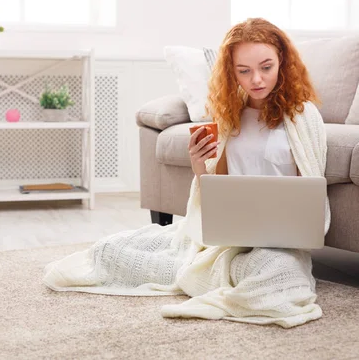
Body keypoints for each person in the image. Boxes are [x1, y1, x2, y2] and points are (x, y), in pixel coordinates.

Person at [43, 18, 330, 328]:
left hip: (280, 242)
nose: (256, 79)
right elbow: (215, 189)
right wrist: (198, 164)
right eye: (244, 71)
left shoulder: (303, 116)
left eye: (266, 67)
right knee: (113, 252)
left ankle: (227, 292)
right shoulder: (229, 115)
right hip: (228, 238)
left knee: (277, 272)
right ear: (231, 71)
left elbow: (310, 194)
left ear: (283, 63)